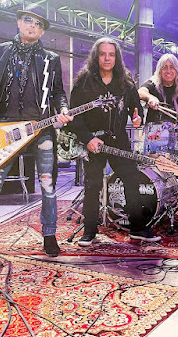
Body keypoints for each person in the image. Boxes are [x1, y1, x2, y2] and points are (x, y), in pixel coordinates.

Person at [0, 3, 73, 257]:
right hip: (6, 127)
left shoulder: (51, 58)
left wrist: (63, 109)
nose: (33, 26)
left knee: (48, 183)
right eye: (28, 20)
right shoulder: (2, 51)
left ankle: (49, 234)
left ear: (42, 31)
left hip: (41, 127)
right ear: (18, 22)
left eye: (39, 23)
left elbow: (58, 92)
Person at [69, 37, 161, 246]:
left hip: (119, 141)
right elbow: (75, 117)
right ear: (96, 56)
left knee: (132, 180)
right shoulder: (83, 82)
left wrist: (138, 119)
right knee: (92, 185)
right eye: (102, 54)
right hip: (93, 141)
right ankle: (89, 231)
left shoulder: (126, 83)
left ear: (117, 58)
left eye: (111, 54)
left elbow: (136, 111)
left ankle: (138, 228)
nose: (107, 58)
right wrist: (87, 139)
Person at [138, 53, 178, 125]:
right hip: (153, 130)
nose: (168, 71)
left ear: (177, 69)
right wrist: (150, 98)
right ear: (159, 70)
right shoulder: (153, 83)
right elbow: (140, 92)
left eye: (172, 67)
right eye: (164, 67)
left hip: (175, 130)